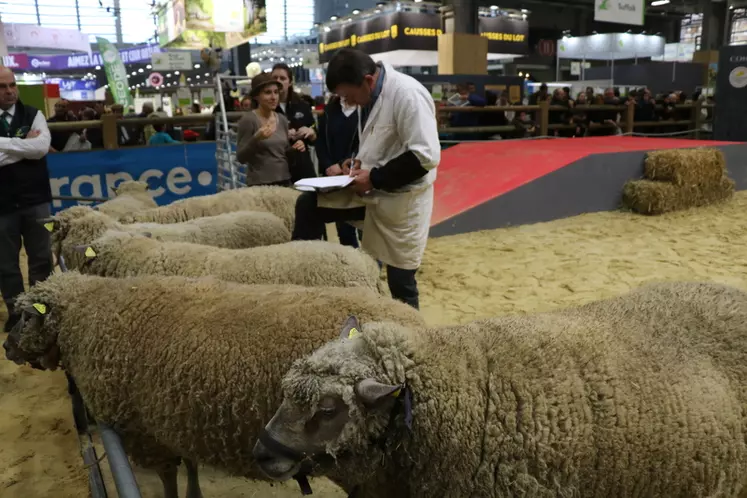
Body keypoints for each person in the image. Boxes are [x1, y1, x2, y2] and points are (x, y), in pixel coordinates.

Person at [291, 48, 440, 310]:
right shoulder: (370, 95)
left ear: (368, 80)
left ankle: (412, 339)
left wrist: (375, 177)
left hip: (402, 200)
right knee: (309, 205)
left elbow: (425, 156)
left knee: (400, 280)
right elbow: (379, 141)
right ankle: (300, 281)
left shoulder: (407, 94)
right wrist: (358, 161)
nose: (348, 102)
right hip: (370, 191)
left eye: (349, 95)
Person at [0, 66, 53, 332]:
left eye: (12, 85)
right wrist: (24, 145)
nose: (9, 91)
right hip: (2, 205)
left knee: (42, 257)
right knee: (6, 263)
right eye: (2, 87)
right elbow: (32, 149)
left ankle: (40, 310)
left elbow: (41, 147)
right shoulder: (30, 122)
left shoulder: (34, 114)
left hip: (36, 199)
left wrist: (4, 144)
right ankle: (17, 312)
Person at [236, 72, 305, 187]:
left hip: (284, 181)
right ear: (256, 96)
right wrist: (256, 138)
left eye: (276, 92)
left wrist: (295, 148)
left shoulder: (282, 119)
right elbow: (241, 157)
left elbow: (281, 152)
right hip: (259, 185)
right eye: (267, 92)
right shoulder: (248, 120)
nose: (273, 97)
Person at [315, 94, 362, 248]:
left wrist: (342, 164)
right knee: (344, 228)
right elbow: (320, 141)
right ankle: (351, 266)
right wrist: (328, 165)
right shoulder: (330, 111)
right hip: (334, 178)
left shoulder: (366, 110)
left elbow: (366, 144)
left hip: (360, 175)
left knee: (367, 228)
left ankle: (373, 267)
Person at [271, 63, 317, 182]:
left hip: (302, 166)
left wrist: (311, 133)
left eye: (282, 78)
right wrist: (283, 135)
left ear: (290, 82)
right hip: (276, 168)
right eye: (274, 78)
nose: (278, 81)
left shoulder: (302, 105)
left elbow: (315, 135)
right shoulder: (266, 108)